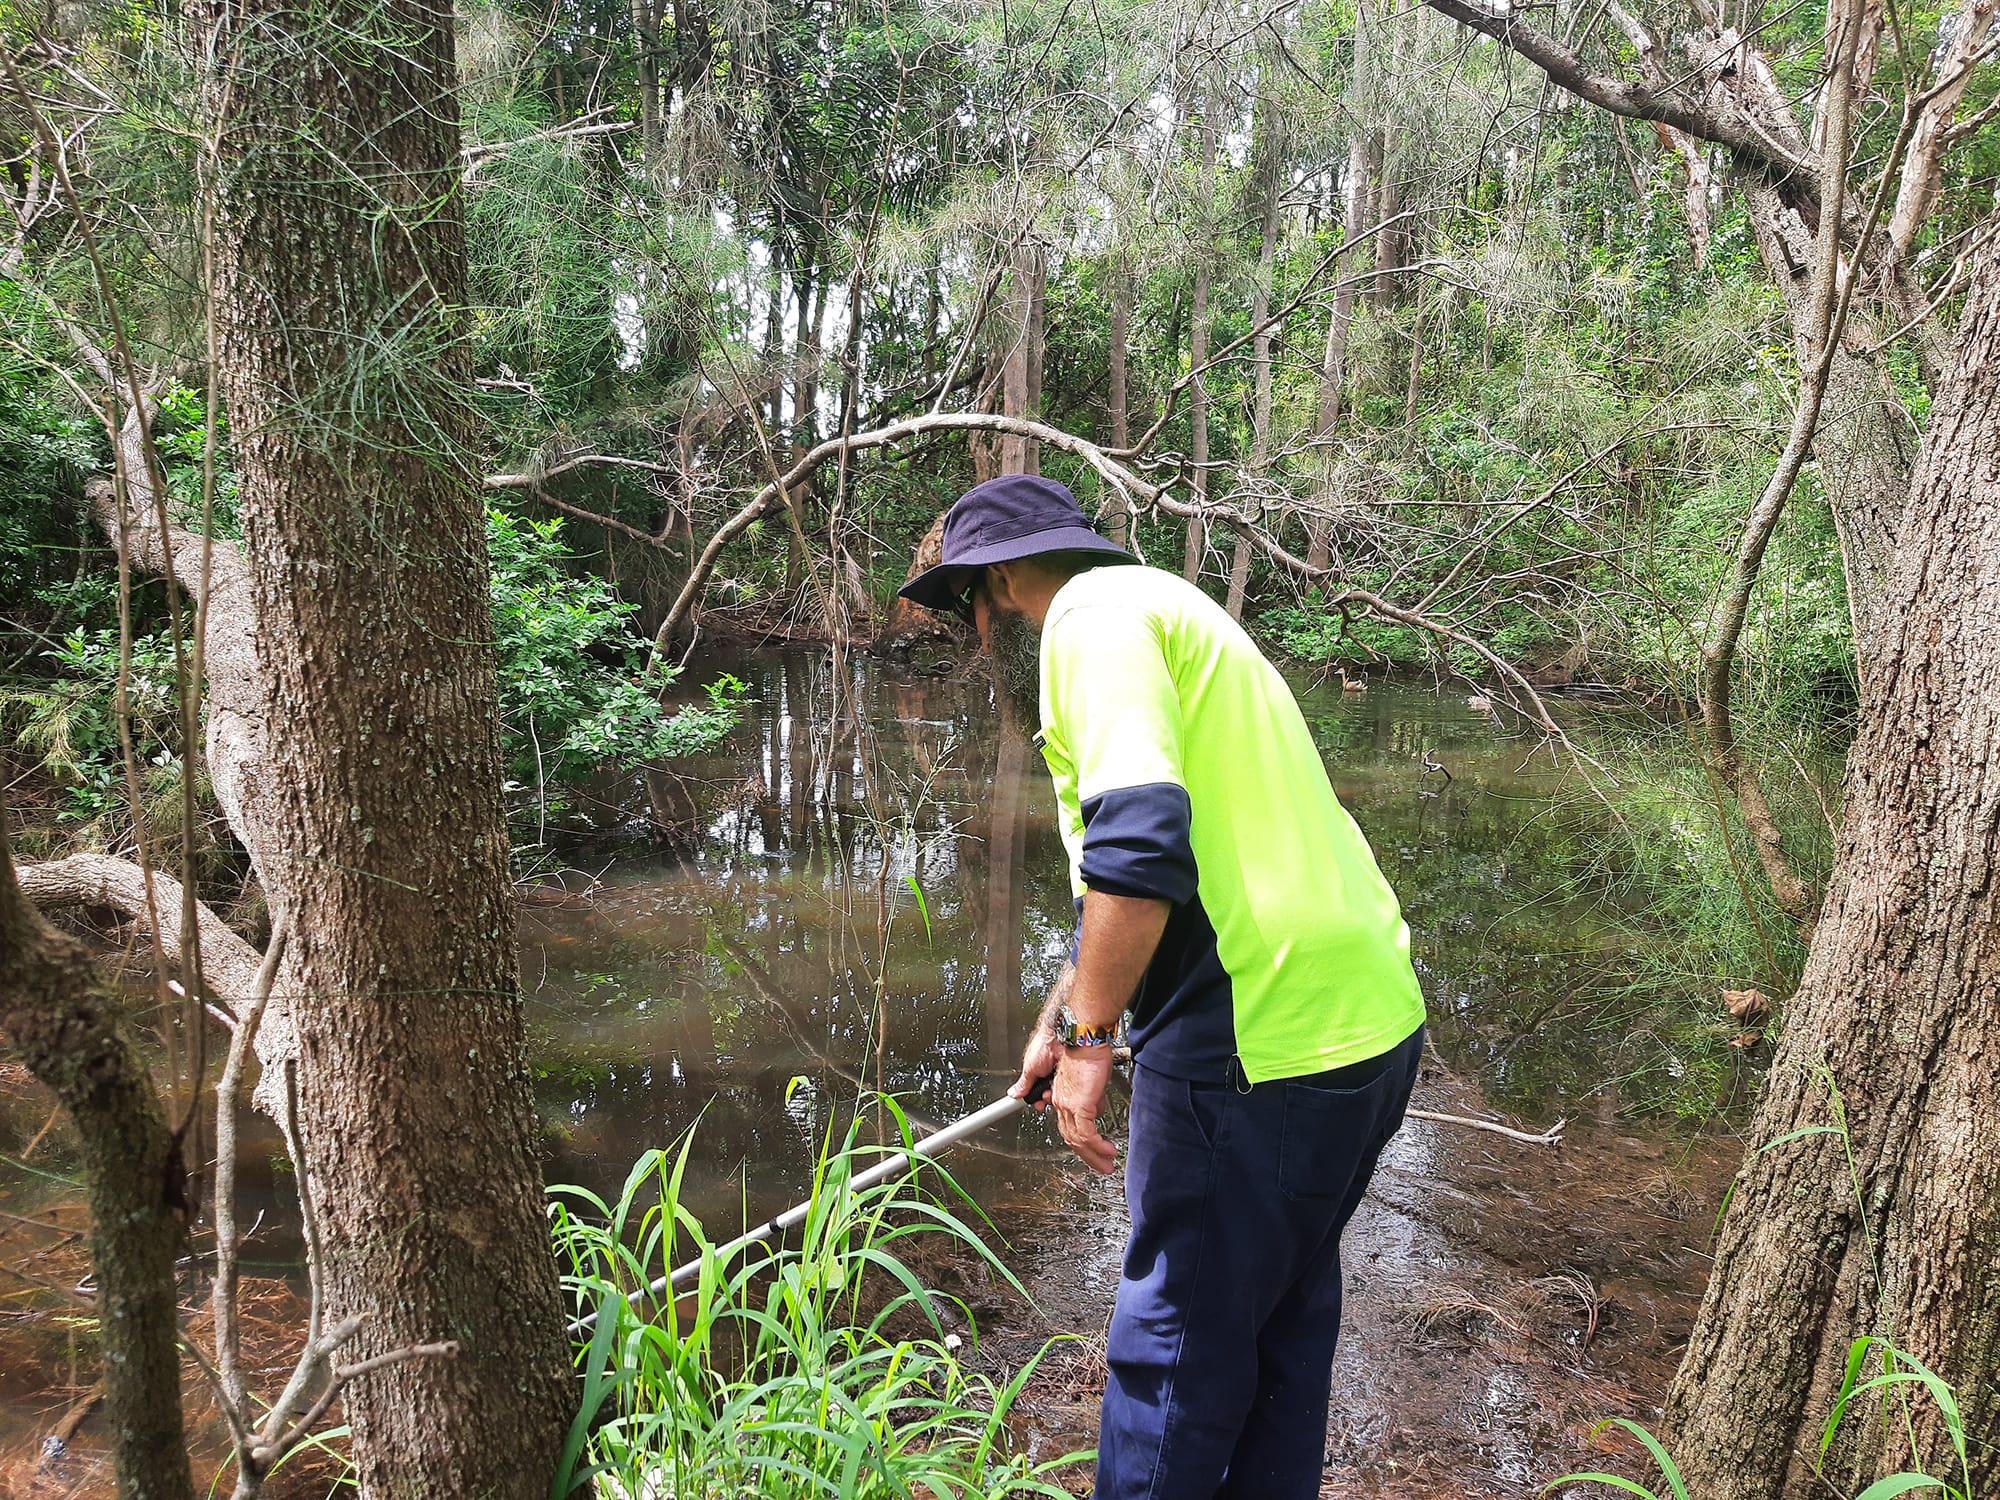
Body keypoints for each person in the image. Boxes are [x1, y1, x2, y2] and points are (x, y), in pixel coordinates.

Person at [899, 472, 1428, 1500]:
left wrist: (1091, 1042)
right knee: (1280, 1326)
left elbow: (1139, 845)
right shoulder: (1166, 606)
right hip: (1364, 1021)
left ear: (1004, 578)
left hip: (1256, 1038)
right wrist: (1065, 1012)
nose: (972, 636)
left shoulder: (1085, 626)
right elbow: (1160, 869)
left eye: (966, 604)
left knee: (1172, 1350)